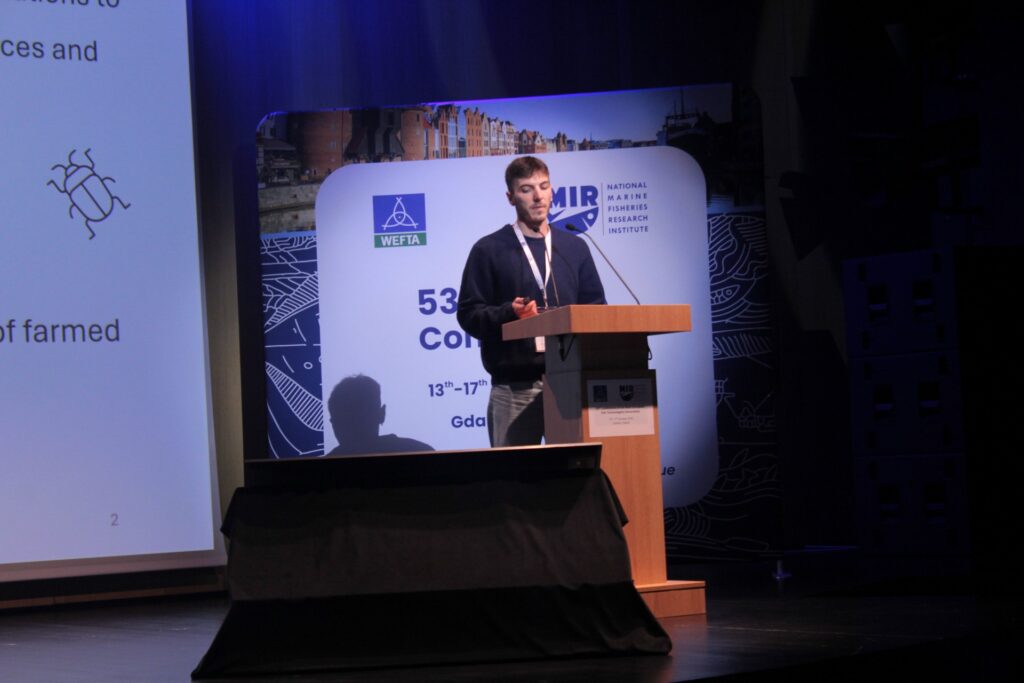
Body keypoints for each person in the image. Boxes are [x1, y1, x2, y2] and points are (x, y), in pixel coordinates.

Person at [457, 156, 606, 447]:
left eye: (544, 186)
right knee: (516, 475)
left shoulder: (575, 248)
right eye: (526, 189)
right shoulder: (488, 249)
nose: (538, 196)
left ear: (552, 191)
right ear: (511, 197)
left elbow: (597, 309)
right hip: (515, 389)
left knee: (573, 471)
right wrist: (508, 313)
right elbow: (469, 314)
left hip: (571, 385)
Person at [325, 374, 433, 455]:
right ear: (382, 414)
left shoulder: (320, 471)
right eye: (348, 419)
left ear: (334, 424)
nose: (355, 424)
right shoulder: (422, 452)